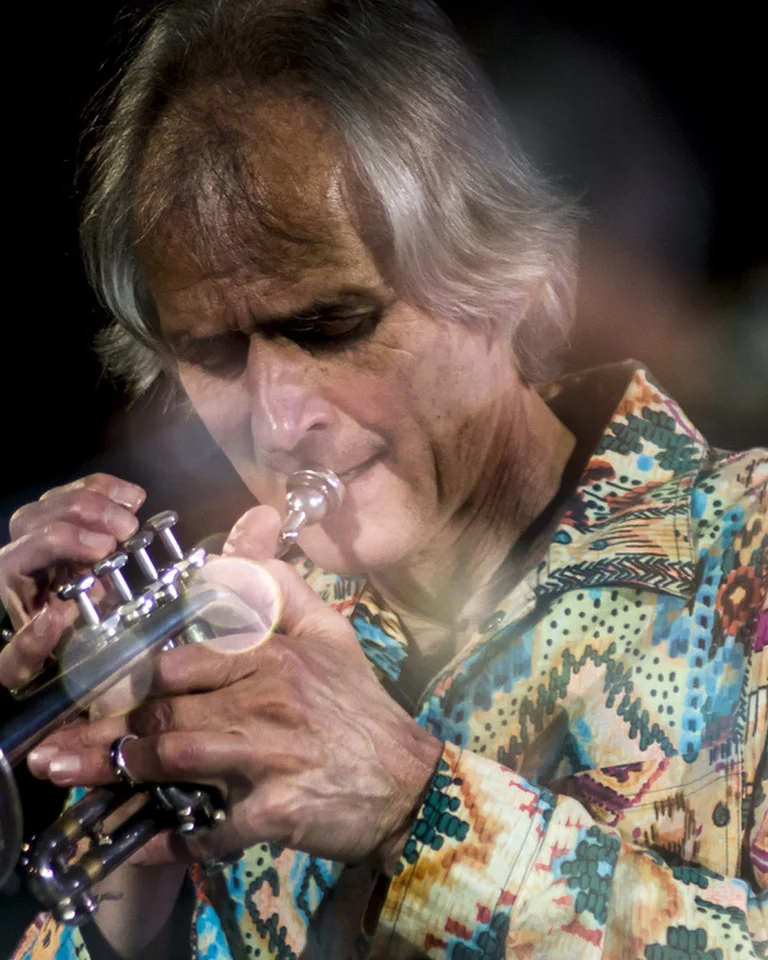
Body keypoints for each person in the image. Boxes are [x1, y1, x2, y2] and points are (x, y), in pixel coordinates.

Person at [1, 0, 765, 957]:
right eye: (214, 354)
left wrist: (413, 804)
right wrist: (123, 875)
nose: (279, 424)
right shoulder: (235, 635)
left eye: (329, 325)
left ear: (505, 270)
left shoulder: (748, 544)